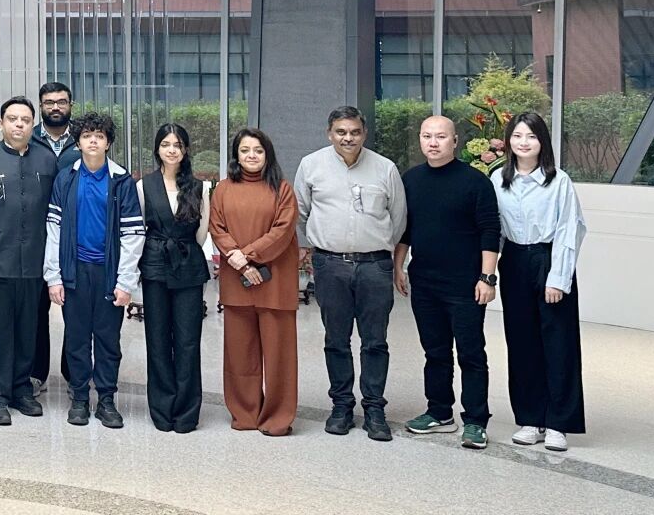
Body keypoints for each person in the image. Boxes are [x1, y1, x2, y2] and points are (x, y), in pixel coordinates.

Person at [294, 105, 406, 442]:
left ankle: (374, 409)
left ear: (364, 133)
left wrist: (380, 250)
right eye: (341, 132)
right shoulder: (311, 165)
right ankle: (341, 406)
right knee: (336, 340)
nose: (348, 138)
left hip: (375, 266)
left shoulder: (385, 168)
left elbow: (398, 218)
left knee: (375, 341)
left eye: (355, 132)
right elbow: (301, 212)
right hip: (330, 266)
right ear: (329, 133)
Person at [395, 116, 501, 450]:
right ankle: (440, 413)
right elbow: (405, 229)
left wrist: (487, 277)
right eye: (427, 136)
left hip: (466, 285)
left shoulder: (475, 182)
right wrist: (398, 267)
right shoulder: (411, 179)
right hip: (425, 282)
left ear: (455, 141)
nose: (433, 142)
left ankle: (476, 421)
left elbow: (490, 231)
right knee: (435, 352)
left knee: (471, 354)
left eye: (441, 136)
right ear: (420, 139)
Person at [491, 111, 587, 452]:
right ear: (508, 141)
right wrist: (486, 271)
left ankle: (559, 422)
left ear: (542, 141)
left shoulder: (558, 181)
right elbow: (493, 228)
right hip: (514, 261)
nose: (524, 142)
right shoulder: (498, 179)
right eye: (517, 136)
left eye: (531, 136)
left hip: (549, 258)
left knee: (558, 343)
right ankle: (530, 418)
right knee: (521, 342)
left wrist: (558, 278)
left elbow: (569, 229)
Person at [44, 112, 144, 429]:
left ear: (108, 142)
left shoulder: (122, 181)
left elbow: (133, 234)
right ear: (78, 142)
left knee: (107, 340)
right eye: (87, 136)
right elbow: (54, 230)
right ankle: (79, 399)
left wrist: (125, 281)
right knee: (76, 338)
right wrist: (54, 277)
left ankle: (106, 400)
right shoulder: (66, 179)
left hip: (108, 273)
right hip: (74, 271)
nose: (93, 141)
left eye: (99, 136)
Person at [0, 96, 58, 425]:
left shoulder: (46, 160)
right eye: (13, 119)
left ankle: (21, 388)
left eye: (25, 120)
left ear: (33, 125)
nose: (19, 124)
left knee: (28, 329)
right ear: (0, 123)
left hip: (34, 260)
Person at [210, 127, 300, 437]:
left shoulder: (283, 189)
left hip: (275, 281)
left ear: (267, 154)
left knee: (279, 356)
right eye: (245, 150)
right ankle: (245, 412)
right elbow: (217, 227)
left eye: (258, 151)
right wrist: (237, 260)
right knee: (240, 354)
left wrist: (246, 256)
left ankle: (277, 417)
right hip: (237, 281)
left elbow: (283, 230)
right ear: (236, 155)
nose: (252, 156)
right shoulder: (223, 189)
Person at [136, 123, 209, 433]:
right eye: (166, 144)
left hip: (188, 264)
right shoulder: (144, 185)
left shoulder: (199, 187)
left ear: (185, 150)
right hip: (154, 264)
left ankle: (187, 413)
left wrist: (185, 249)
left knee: (188, 340)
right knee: (157, 339)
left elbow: (202, 233)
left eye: (177, 144)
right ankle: (162, 411)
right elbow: (140, 227)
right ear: (157, 149)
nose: (171, 150)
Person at [30, 81, 79, 394]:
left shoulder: (83, 138)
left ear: (70, 105)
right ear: (41, 106)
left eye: (61, 101)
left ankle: (74, 375)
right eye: (49, 102)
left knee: (74, 310)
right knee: (36, 311)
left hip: (75, 238)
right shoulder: (29, 138)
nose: (56, 107)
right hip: (36, 237)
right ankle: (36, 374)